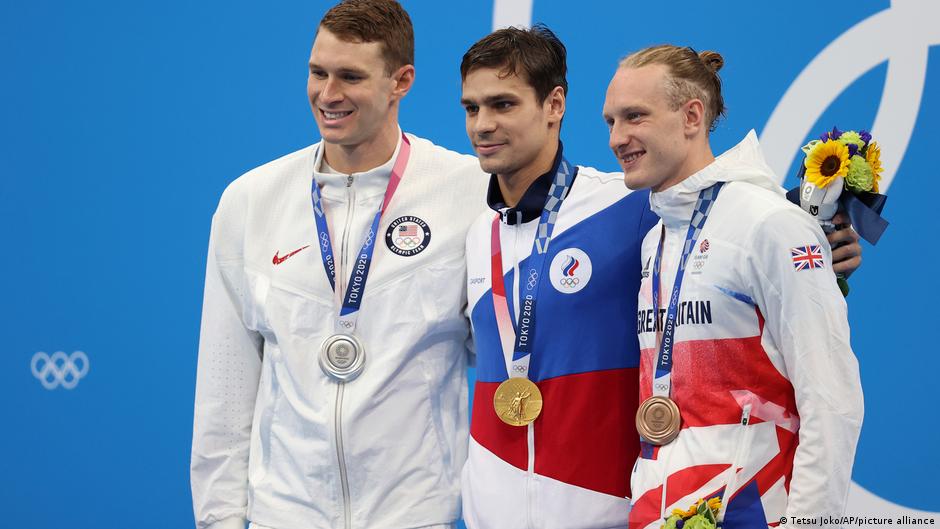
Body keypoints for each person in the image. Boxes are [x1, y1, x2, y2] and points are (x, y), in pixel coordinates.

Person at [190, 1, 486, 528]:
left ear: (402, 81)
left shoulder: (467, 194)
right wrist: (220, 521)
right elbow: (226, 391)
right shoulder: (250, 201)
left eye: (350, 76)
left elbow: (501, 352)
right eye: (318, 72)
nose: (328, 94)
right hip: (282, 515)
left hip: (412, 516)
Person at [602, 45, 864, 528]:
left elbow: (831, 398)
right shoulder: (657, 238)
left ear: (692, 116)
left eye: (634, 117)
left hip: (757, 511)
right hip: (660, 511)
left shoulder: (768, 224)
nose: (617, 138)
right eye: (611, 122)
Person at [458, 26, 659, 529]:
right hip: (491, 512)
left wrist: (821, 240)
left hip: (602, 509)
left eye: (503, 105)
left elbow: (730, 232)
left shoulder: (627, 205)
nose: (483, 124)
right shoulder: (475, 232)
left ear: (554, 104)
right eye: (471, 108)